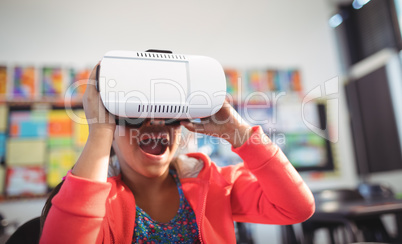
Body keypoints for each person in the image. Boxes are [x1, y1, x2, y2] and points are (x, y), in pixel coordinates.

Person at [40, 63, 315, 244]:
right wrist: (99, 132)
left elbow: (297, 208)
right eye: (135, 114)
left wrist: (238, 133)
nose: (156, 123)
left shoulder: (216, 184)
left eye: (168, 114)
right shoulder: (91, 200)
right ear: (113, 126)